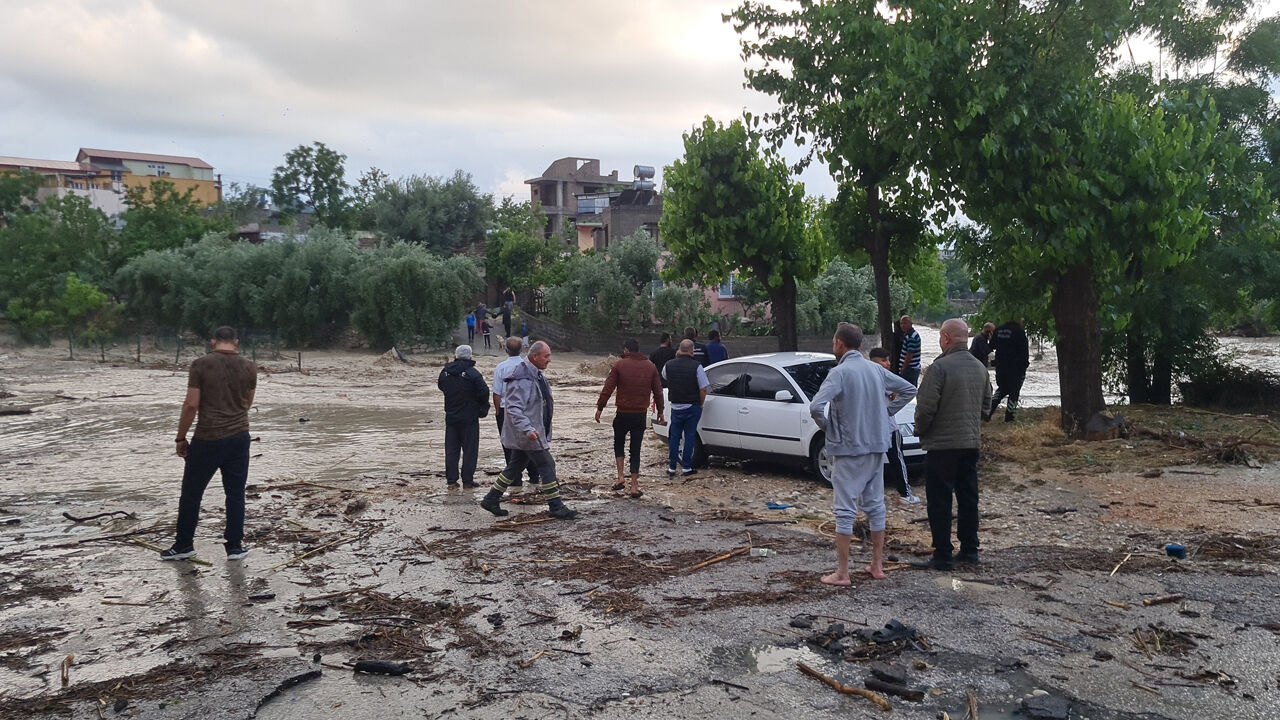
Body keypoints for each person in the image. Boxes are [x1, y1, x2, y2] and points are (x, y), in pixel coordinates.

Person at [810, 324, 916, 585]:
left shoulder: (840, 372)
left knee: (844, 510)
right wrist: (886, 413)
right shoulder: (876, 370)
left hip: (849, 449)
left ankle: (843, 573)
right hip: (877, 447)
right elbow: (909, 390)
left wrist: (829, 428)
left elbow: (816, 406)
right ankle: (876, 565)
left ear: (839, 344)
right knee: (875, 506)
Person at [161, 326, 257, 561]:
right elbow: (247, 403)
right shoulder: (249, 366)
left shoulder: (201, 364)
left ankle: (184, 545)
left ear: (213, 342)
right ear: (237, 342)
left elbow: (191, 405)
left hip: (208, 438)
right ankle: (234, 547)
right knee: (235, 494)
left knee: (191, 494)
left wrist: (180, 438)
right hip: (239, 437)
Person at [915, 318, 992, 570]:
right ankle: (970, 550)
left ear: (945, 338)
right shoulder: (980, 367)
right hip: (970, 443)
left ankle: (943, 554)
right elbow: (986, 406)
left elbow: (925, 408)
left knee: (940, 499)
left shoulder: (939, 368)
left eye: (940, 338)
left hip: (942, 446)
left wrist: (920, 431)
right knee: (968, 497)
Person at [479, 341, 578, 520]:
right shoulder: (521, 378)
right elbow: (514, 409)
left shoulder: (535, 374)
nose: (549, 360)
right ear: (535, 357)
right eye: (546, 356)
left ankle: (491, 498)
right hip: (529, 434)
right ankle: (556, 506)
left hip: (531, 432)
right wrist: (528, 429)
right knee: (547, 465)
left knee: (515, 466)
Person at [596, 338, 664, 497]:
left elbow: (608, 388)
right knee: (636, 449)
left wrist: (600, 408)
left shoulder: (619, 365)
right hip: (640, 415)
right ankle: (634, 486)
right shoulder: (650, 367)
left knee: (618, 444)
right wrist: (660, 412)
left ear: (626, 350)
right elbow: (658, 392)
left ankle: (620, 477)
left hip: (622, 413)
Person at [869, 347, 920, 506]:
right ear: (874, 362)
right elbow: (909, 390)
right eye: (884, 360)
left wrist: (890, 405)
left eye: (889, 360)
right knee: (892, 461)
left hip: (879, 428)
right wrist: (889, 408)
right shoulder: (881, 376)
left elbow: (902, 391)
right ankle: (903, 493)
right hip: (883, 428)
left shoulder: (868, 377)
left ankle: (899, 493)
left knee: (887, 461)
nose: (888, 364)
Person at [438, 345, 488, 489]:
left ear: (455, 356)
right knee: (470, 450)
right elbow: (484, 391)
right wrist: (482, 407)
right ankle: (467, 481)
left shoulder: (445, 372)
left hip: (451, 416)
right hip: (469, 417)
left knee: (451, 449)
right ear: (470, 357)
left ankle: (452, 481)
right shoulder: (473, 374)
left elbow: (441, 386)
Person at [492, 336, 540, 488]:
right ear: (522, 350)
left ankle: (515, 479)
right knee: (530, 442)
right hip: (527, 411)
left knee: (508, 444)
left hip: (506, 410)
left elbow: (496, 392)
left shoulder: (501, 367)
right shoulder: (528, 366)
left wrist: (497, 410)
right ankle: (534, 476)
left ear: (505, 350)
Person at [663, 339, 708, 477]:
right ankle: (686, 468)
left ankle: (672, 468)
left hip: (676, 407)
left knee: (675, 437)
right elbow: (703, 388)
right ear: (692, 351)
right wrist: (700, 404)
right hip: (691, 406)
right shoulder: (697, 366)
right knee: (689, 436)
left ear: (679, 350)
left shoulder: (668, 365)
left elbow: (665, 376)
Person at [986, 318, 1030, 422]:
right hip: (1016, 368)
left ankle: (987, 413)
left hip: (1001, 368)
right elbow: (1024, 351)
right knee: (1014, 393)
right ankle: (1009, 417)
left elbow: (991, 346)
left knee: (1001, 390)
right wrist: (1024, 366)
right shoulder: (1019, 331)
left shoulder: (999, 330)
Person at [898, 315, 922, 386]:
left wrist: (903, 368)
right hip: (912, 368)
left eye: (905, 323)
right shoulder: (909, 334)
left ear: (911, 324)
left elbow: (909, 354)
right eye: (901, 323)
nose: (902, 325)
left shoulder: (911, 337)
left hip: (910, 369)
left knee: (908, 390)